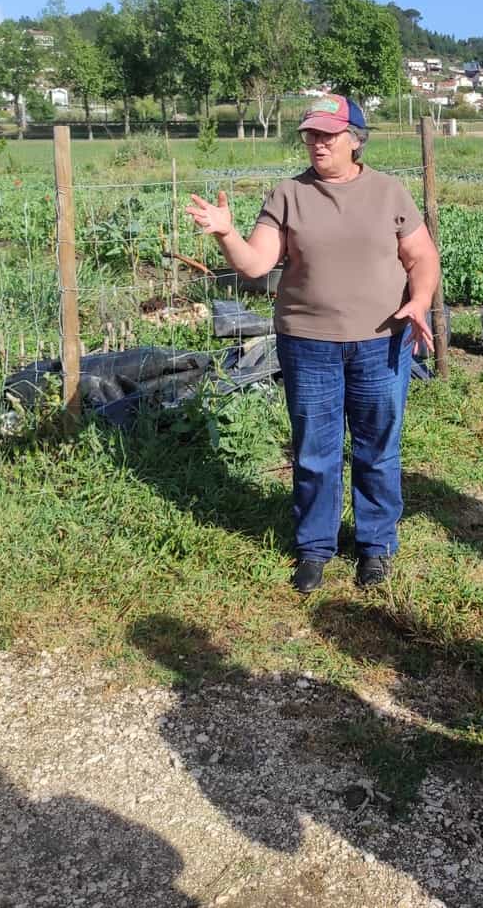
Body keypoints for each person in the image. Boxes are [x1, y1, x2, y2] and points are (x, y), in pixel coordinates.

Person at [185, 94, 441, 594]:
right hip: (308, 343)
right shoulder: (288, 195)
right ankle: (315, 547)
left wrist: (421, 300)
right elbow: (257, 264)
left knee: (377, 446)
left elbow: (422, 258)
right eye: (310, 134)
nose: (316, 143)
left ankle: (376, 546)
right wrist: (227, 234)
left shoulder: (389, 193)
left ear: (355, 140)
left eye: (327, 134)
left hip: (380, 341)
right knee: (314, 449)